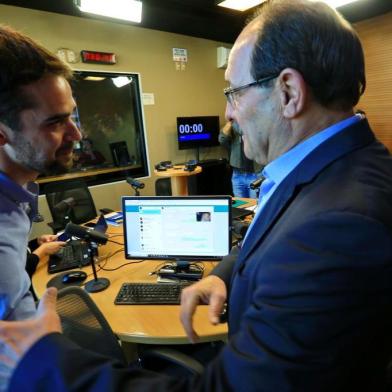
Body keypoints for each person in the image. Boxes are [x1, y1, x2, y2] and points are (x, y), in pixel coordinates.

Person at [1, 1, 392, 391]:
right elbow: (279, 230)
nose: (229, 114)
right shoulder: (332, 172)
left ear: (289, 92)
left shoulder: (339, 226)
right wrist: (225, 276)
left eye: (234, 93)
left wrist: (42, 362)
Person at [0, 24, 81, 324]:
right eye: (55, 122)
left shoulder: (16, 195)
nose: (77, 134)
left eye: (71, 115)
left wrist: (33, 248)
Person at [219, 120, 262, 198]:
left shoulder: (259, 121)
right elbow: (222, 140)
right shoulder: (234, 125)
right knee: (240, 206)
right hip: (237, 175)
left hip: (255, 175)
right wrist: (229, 124)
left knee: (255, 206)